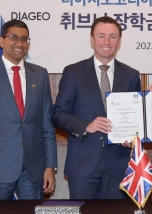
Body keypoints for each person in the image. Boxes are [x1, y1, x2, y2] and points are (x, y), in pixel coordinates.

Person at [52, 16, 141, 199]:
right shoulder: (73, 72)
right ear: (92, 40)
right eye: (101, 36)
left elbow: (136, 118)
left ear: (119, 41)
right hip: (82, 164)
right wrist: (86, 126)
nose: (107, 42)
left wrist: (132, 136)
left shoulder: (131, 75)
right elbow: (57, 114)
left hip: (119, 163)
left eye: (113, 36)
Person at [0, 19, 57, 202]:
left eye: (24, 39)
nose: (19, 43)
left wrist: (50, 166)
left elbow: (47, 124)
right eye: (13, 38)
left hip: (33, 170)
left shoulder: (39, 75)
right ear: (2, 41)